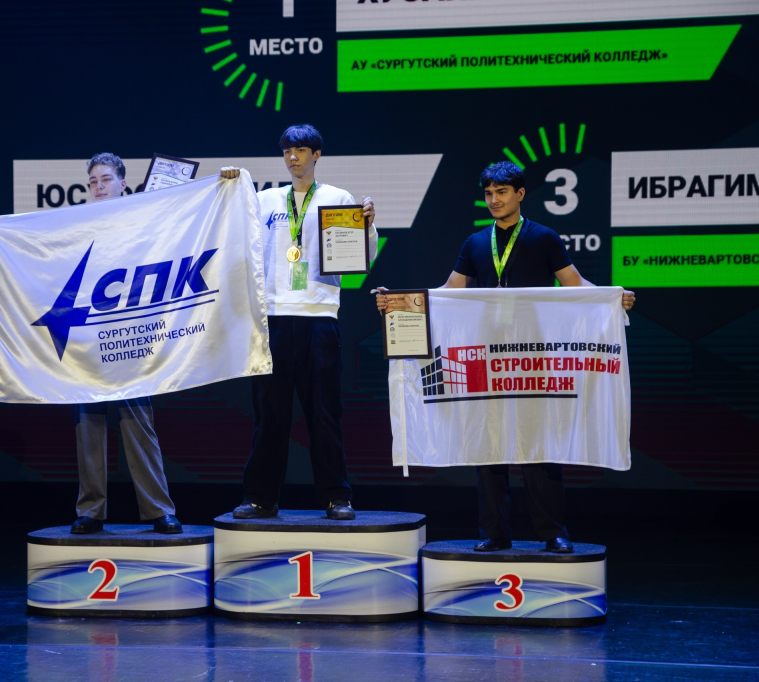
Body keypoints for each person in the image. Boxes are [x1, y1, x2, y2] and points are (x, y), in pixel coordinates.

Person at [377, 160, 636, 553]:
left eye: (501, 192)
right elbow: (448, 292)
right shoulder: (475, 243)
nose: (494, 200)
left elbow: (575, 285)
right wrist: (398, 303)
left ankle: (552, 532)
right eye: (488, 193)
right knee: (489, 445)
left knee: (540, 444)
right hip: (488, 355)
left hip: (533, 355)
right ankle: (495, 533)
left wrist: (614, 298)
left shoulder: (544, 237)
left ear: (520, 194)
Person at [0, 152, 182, 535]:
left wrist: (223, 185)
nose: (98, 187)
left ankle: (158, 510)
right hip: (85, 343)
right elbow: (30, 245)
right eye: (93, 182)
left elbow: (183, 227)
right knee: (88, 428)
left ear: (123, 183)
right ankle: (91, 511)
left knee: (139, 427)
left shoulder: (143, 221)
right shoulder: (74, 224)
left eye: (105, 179)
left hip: (128, 340)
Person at [221, 124, 378, 520]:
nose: (293, 157)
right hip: (273, 318)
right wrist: (226, 185)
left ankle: (336, 497)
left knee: (324, 413)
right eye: (288, 150)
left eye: (302, 150)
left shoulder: (337, 199)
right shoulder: (265, 200)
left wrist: (367, 225)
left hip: (318, 316)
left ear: (317, 155)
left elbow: (362, 259)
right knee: (269, 415)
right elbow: (229, 223)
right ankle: (260, 498)